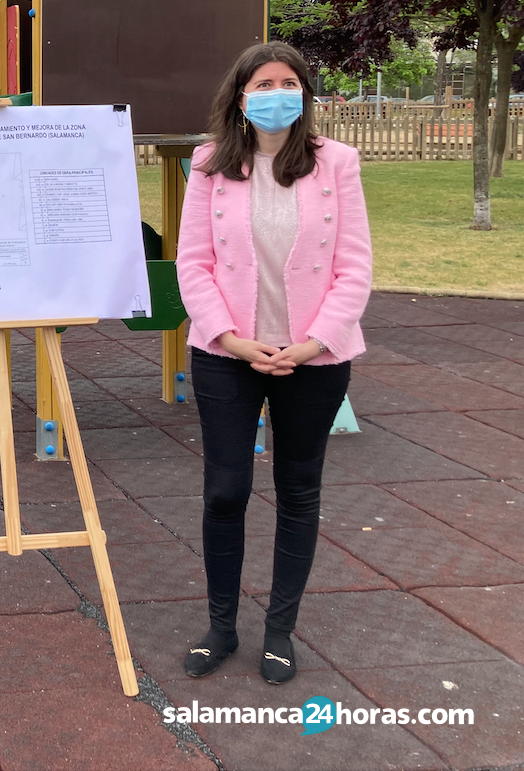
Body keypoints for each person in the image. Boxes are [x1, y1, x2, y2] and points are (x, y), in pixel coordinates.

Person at [175, 41, 372, 685]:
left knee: (298, 489)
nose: (276, 93)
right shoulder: (208, 165)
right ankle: (221, 625)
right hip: (228, 352)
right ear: (240, 95)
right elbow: (194, 265)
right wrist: (231, 338)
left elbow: (353, 267)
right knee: (226, 489)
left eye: (289, 83)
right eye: (263, 83)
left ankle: (280, 630)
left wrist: (314, 341)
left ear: (305, 96)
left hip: (312, 355)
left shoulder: (335, 163)